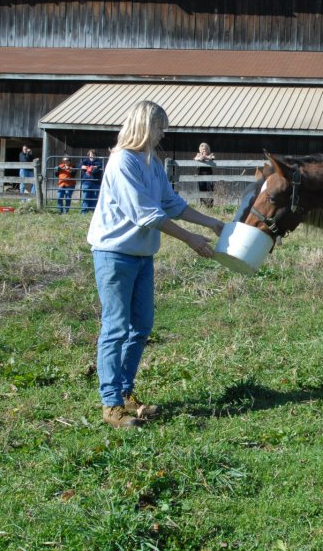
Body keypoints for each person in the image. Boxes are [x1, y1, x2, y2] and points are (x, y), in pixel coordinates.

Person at [88, 100, 225, 429]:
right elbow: (146, 215)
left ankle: (125, 393)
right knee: (116, 328)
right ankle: (111, 405)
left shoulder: (152, 162)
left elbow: (171, 204)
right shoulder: (123, 161)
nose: (163, 133)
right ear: (144, 125)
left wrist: (211, 223)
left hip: (141, 256)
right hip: (115, 254)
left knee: (141, 327)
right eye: (160, 126)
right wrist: (190, 238)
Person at [194, 142, 215, 207]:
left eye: (205, 149)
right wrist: (200, 158)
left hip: (208, 174)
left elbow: (213, 157)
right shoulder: (198, 154)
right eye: (202, 149)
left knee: (209, 188)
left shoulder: (211, 154)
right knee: (201, 188)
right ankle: (202, 204)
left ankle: (210, 205)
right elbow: (195, 158)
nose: (204, 150)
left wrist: (205, 157)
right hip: (200, 174)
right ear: (200, 149)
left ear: (208, 149)